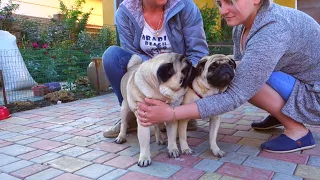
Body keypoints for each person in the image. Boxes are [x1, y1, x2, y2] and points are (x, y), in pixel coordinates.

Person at [137, 0, 320, 153]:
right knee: (244, 69)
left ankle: (298, 132)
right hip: (298, 80)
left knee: (243, 76)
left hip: (314, 93)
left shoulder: (273, 29)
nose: (223, 10)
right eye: (219, 2)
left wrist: (172, 113)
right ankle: (280, 114)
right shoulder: (242, 27)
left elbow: (237, 93)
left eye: (230, 1)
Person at [102, 0, 209, 138]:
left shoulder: (185, 6)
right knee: (112, 56)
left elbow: (198, 52)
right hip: (146, 71)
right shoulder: (125, 12)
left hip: (178, 74)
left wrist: (180, 75)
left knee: (195, 68)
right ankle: (135, 115)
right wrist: (154, 67)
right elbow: (132, 56)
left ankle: (183, 113)